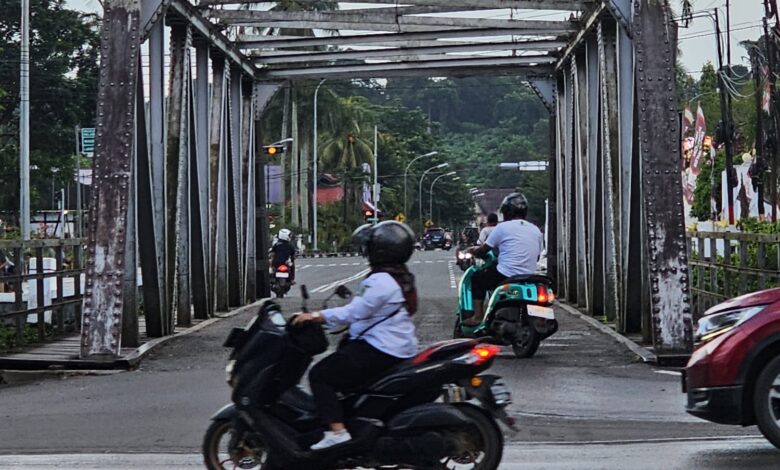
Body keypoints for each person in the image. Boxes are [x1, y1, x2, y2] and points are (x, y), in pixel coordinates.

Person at [292, 221, 419, 450]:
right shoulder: (400, 276)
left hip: (380, 348)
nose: (366, 252)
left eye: (369, 247)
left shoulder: (380, 280)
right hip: (395, 346)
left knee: (320, 375)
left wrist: (316, 316)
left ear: (380, 251)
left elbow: (355, 312)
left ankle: (337, 431)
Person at [465, 193, 543, 326]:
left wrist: (473, 251)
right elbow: (537, 256)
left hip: (505, 273)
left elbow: (484, 249)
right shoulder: (535, 229)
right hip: (529, 275)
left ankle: (478, 316)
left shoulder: (502, 228)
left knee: (477, 278)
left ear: (507, 211)